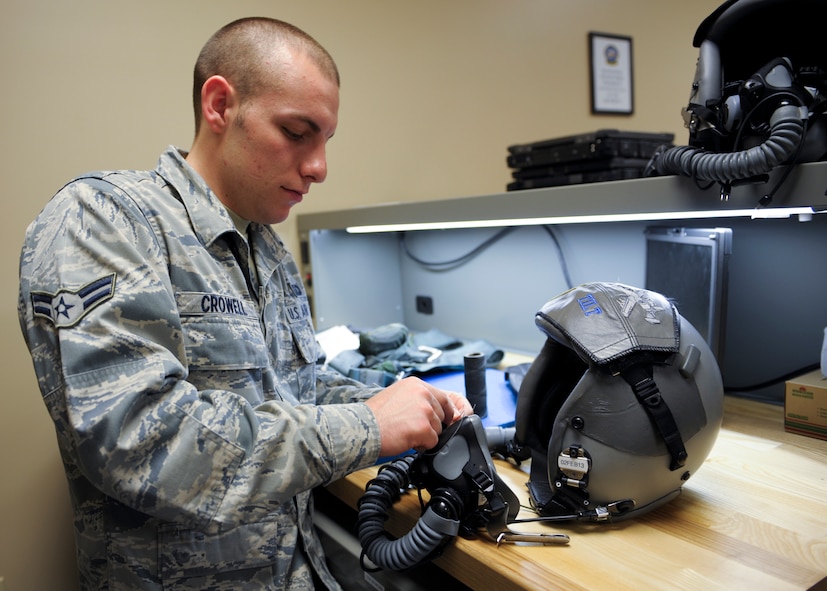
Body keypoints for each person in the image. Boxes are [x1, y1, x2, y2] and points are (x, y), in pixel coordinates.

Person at [17, 17, 472, 591]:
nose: (318, 168)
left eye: (325, 141)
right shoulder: (105, 222)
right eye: (296, 131)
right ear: (219, 105)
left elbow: (290, 391)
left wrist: (406, 405)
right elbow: (141, 443)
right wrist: (368, 425)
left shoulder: (266, 251)